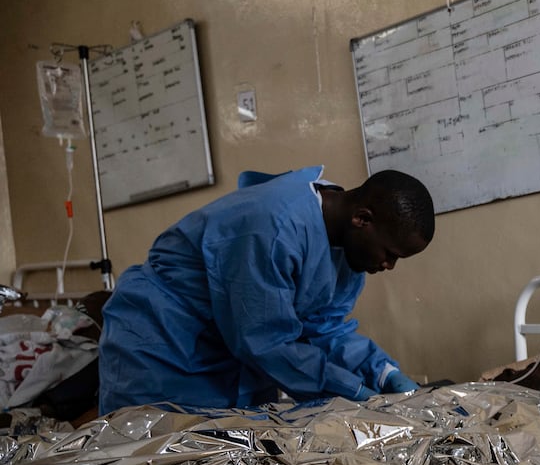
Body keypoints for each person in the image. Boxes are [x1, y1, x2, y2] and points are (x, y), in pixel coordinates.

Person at [98, 167, 433, 413]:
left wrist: (382, 371)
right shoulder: (273, 227)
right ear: (362, 218)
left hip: (231, 355)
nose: (389, 266)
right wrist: (355, 391)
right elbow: (266, 340)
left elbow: (324, 329)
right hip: (163, 349)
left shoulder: (348, 252)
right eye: (390, 254)